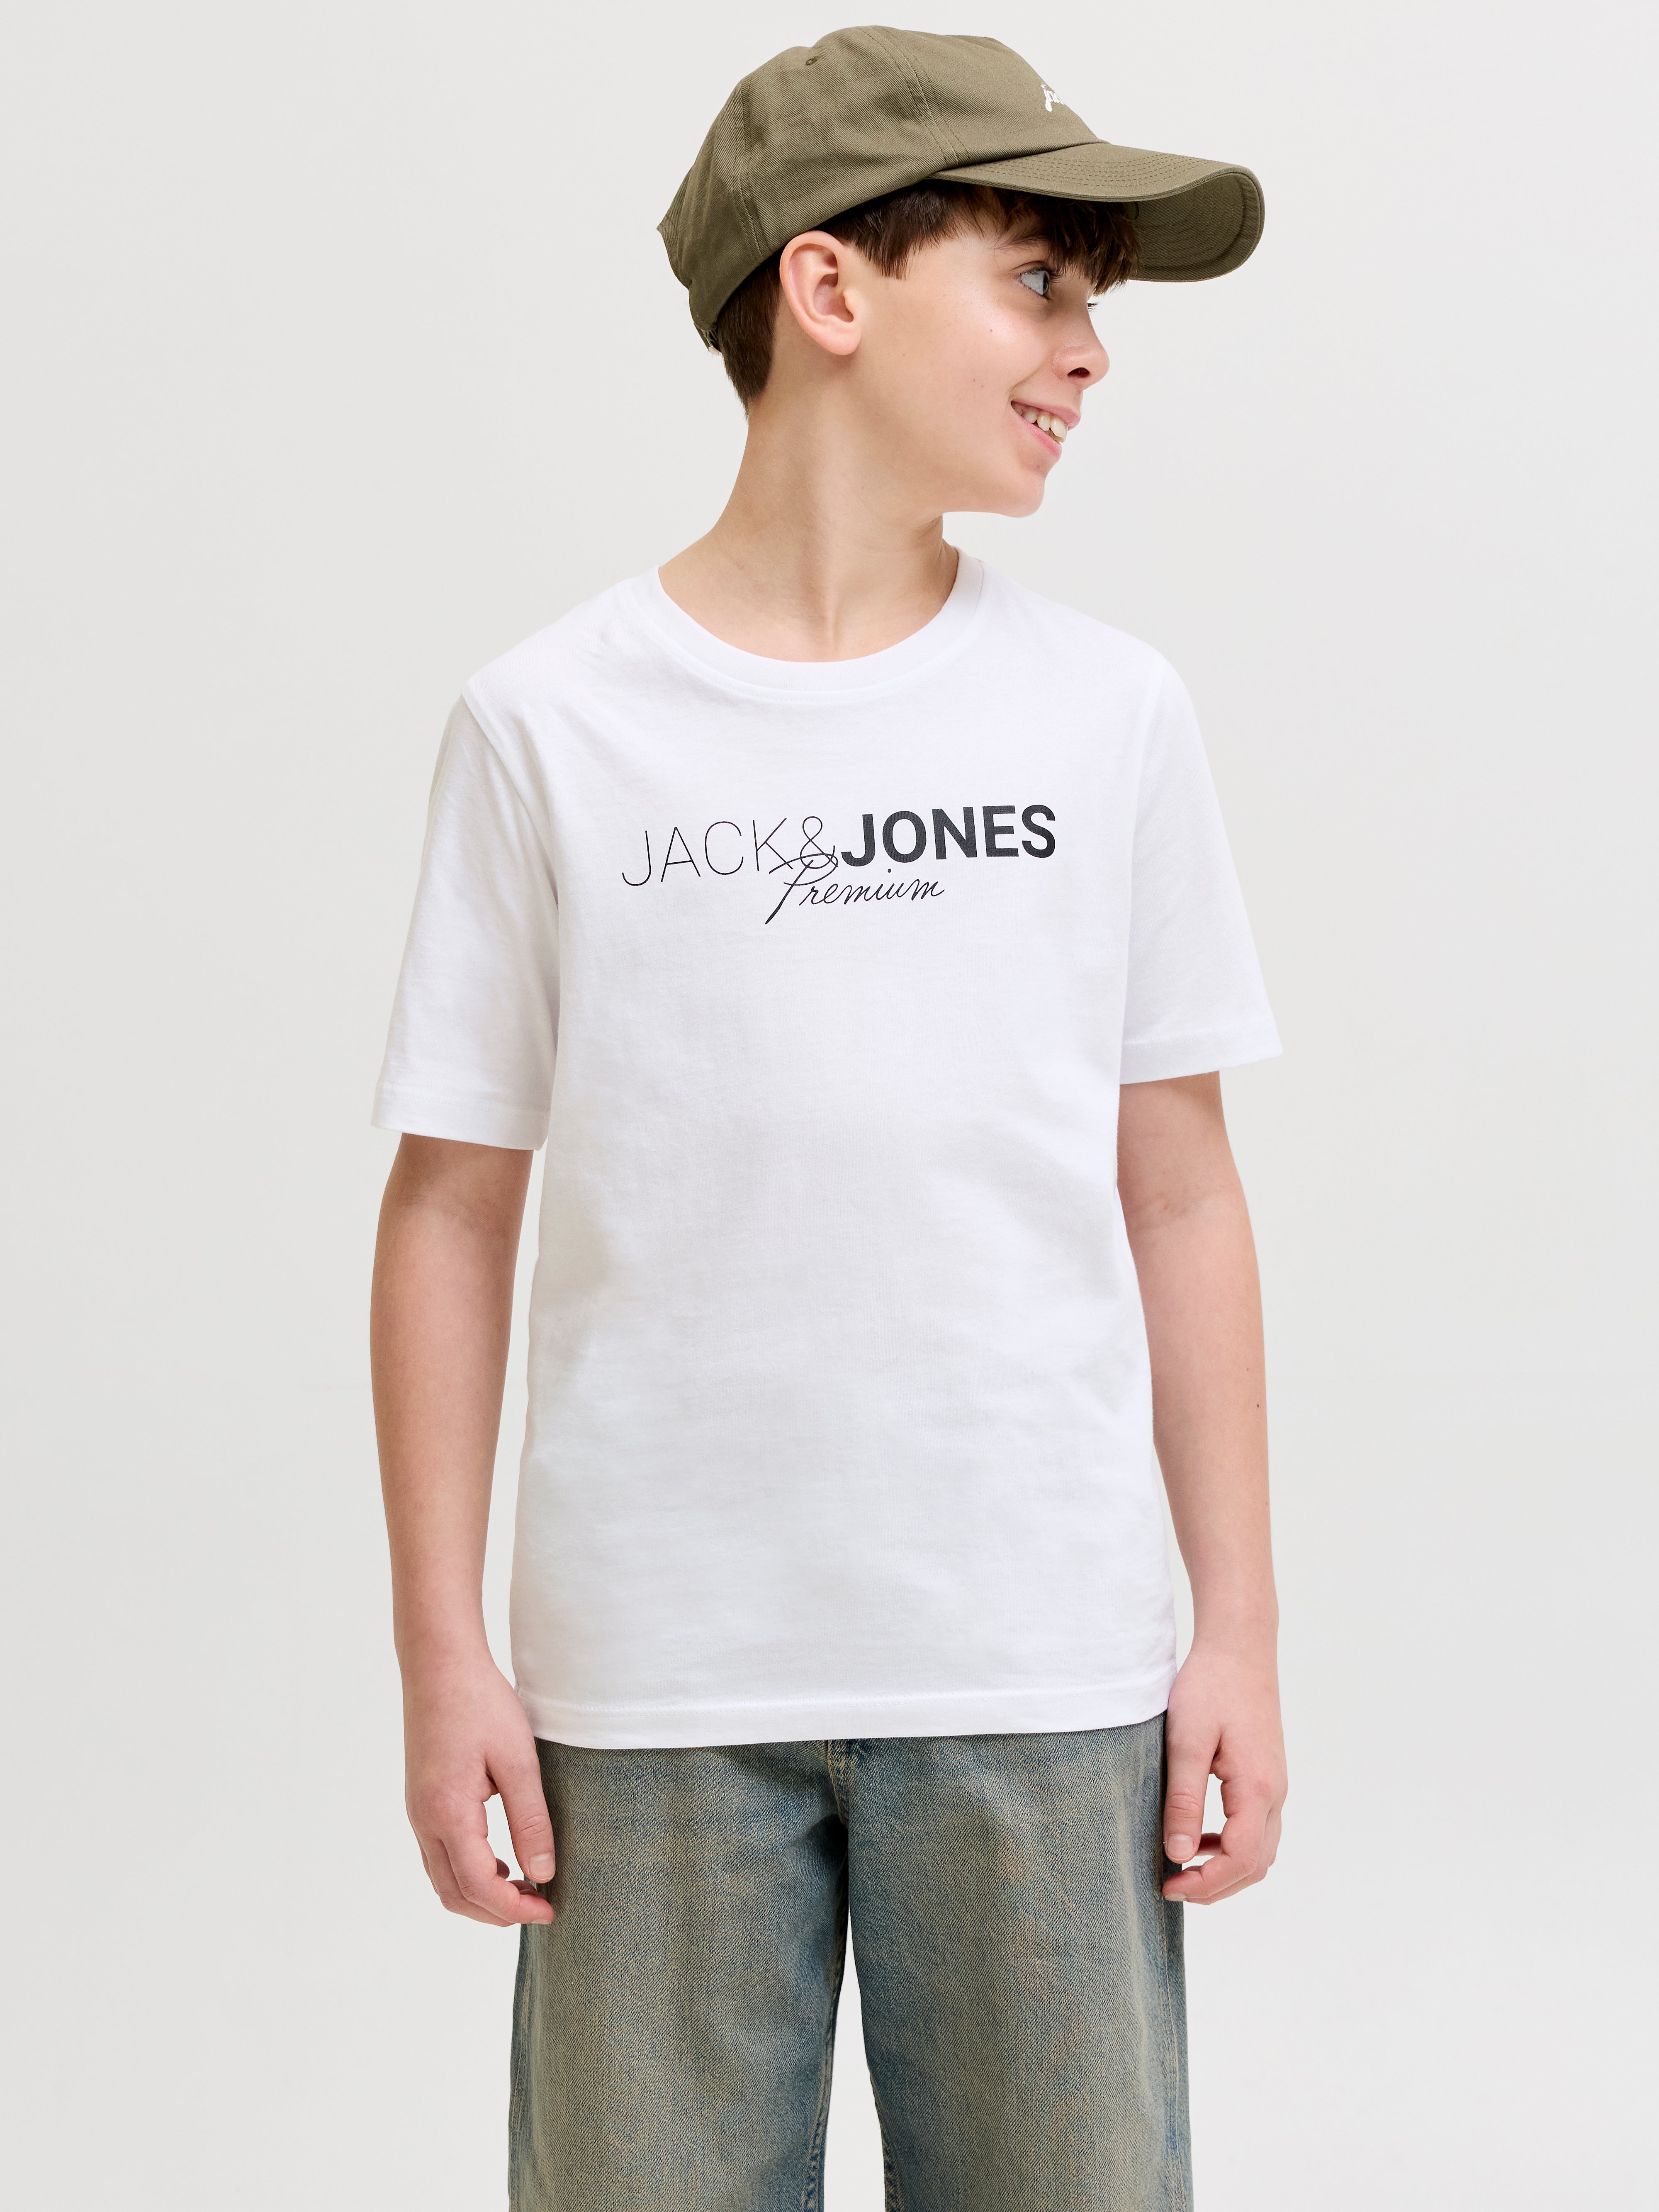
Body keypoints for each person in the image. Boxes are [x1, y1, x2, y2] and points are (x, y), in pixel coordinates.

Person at [370, 27, 1286, 2209]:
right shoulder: (551, 726)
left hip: (1042, 1663)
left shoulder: (1107, 716)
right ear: (830, 288)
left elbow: (1179, 1191)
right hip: (651, 1687)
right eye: (1041, 279)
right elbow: (449, 1209)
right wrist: (443, 1652)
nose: (1088, 351)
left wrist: (1237, 1626)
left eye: (1093, 302)